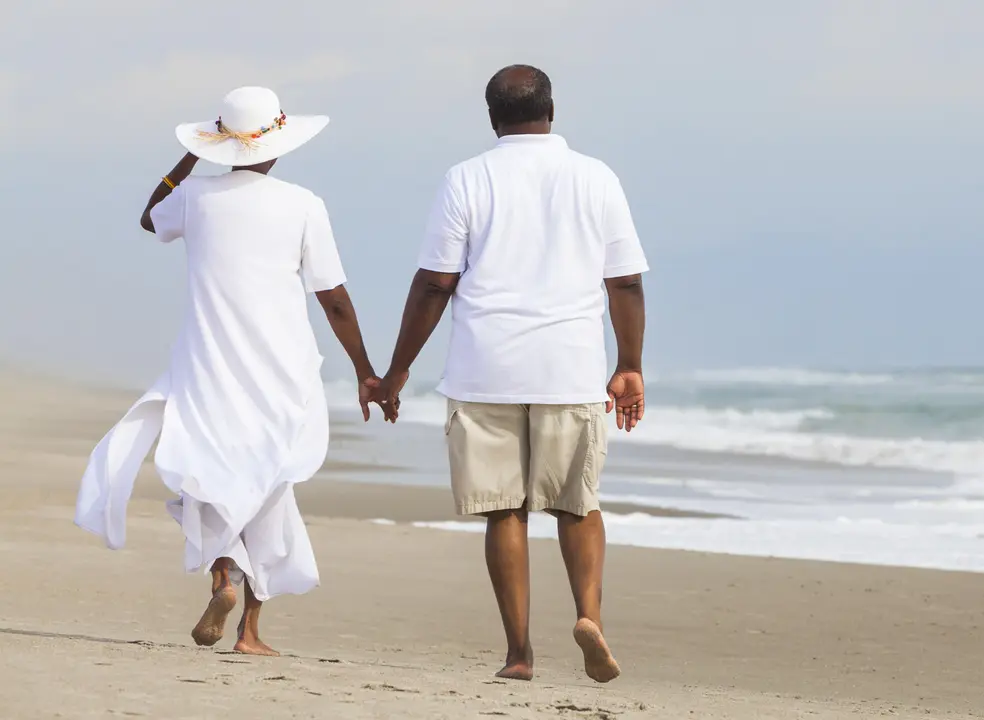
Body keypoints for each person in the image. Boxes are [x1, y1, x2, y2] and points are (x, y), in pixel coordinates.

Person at [75, 86, 380, 656]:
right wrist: (365, 369)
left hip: (208, 363)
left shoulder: (194, 197)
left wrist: (197, 154)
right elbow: (333, 297)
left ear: (221, 142)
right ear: (278, 144)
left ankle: (223, 576)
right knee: (269, 483)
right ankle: (252, 635)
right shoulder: (303, 203)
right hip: (282, 368)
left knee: (206, 475)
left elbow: (149, 216)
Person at [373, 64, 648, 683]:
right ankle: (589, 617)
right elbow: (624, 280)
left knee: (506, 511)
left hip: (484, 369)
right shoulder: (595, 177)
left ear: (492, 117)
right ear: (553, 110)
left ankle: (519, 653)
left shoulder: (465, 178)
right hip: (570, 367)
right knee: (577, 506)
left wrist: (395, 373)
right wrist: (628, 364)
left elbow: (435, 284)